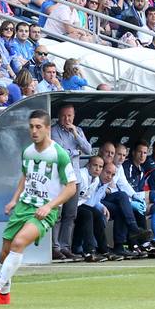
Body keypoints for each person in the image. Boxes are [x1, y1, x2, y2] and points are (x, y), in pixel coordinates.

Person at [0, 109, 78, 306]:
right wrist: (14, 199)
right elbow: (26, 177)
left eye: (38, 127)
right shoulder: (28, 151)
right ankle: (4, 295)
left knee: (18, 243)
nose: (34, 131)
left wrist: (50, 206)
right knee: (5, 251)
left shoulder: (59, 154)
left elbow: (71, 187)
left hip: (45, 210)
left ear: (47, 129)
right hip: (24, 206)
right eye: (31, 127)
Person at [49, 102, 91, 261]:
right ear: (59, 116)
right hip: (60, 179)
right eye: (64, 116)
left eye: (70, 116)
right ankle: (55, 247)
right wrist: (75, 151)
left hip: (75, 179)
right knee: (58, 215)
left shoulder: (78, 130)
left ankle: (65, 247)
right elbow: (60, 153)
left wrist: (76, 135)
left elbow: (88, 149)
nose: (67, 119)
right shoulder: (53, 131)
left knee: (70, 215)